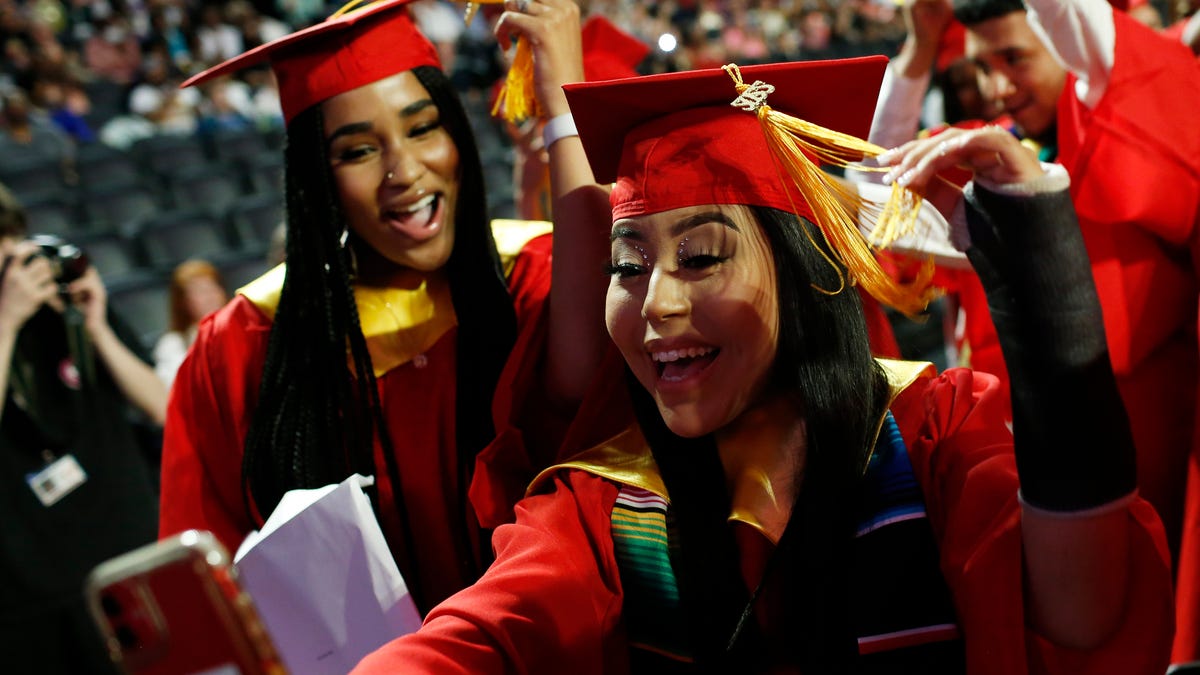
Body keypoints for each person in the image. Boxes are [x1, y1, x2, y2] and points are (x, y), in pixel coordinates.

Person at [351, 59, 1173, 674]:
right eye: (627, 265)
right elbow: (481, 634)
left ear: (804, 270)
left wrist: (1041, 285)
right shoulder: (600, 506)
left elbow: (1088, 609)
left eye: (702, 256)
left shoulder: (932, 432)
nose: (655, 303)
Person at [159, 0, 612, 616]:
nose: (403, 170)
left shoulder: (526, 277)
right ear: (317, 179)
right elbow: (206, 581)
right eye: (357, 151)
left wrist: (563, 99)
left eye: (423, 127)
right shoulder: (245, 344)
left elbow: (585, 383)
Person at [946, 0, 1200, 661]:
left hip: (1153, 427)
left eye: (1015, 58)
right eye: (982, 66)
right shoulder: (994, 144)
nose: (998, 85)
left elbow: (1088, 39)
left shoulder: (1108, 115)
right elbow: (874, 201)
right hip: (1039, 434)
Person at [0, 183, 163, 673]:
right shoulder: (8, 319)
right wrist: (6, 321)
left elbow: (164, 407)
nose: (17, 274)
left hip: (131, 552)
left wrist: (97, 328)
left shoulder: (69, 310)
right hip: (34, 594)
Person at [153, 259, 229, 390]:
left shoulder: (243, 327)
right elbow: (174, 389)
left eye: (213, 288)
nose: (210, 297)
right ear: (183, 302)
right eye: (200, 292)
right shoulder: (172, 343)